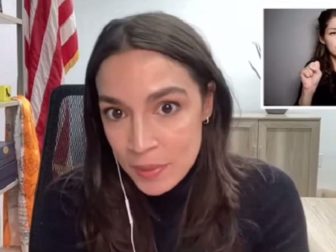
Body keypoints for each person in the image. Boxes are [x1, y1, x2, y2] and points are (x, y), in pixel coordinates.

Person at [33, 12, 309, 252]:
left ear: (207, 103)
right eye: (116, 113)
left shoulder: (269, 197)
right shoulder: (66, 205)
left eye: (167, 107)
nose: (139, 144)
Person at [296, 9, 336, 105]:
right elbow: (301, 116)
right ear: (322, 38)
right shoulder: (314, 70)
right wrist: (307, 92)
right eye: (333, 33)